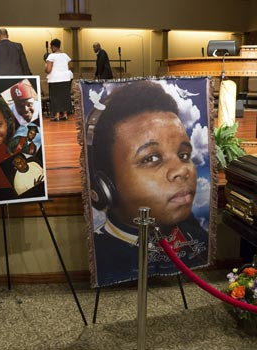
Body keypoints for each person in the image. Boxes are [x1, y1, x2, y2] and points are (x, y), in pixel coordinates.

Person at [87, 80, 208, 287]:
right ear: (105, 185)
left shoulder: (197, 235)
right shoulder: (103, 253)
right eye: (151, 158)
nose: (181, 170)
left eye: (183, 154)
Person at [45, 38, 73, 121]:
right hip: (66, 78)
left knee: (55, 97)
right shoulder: (65, 55)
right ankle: (65, 114)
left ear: (53, 47)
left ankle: (57, 115)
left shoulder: (51, 56)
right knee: (65, 96)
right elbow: (70, 67)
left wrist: (45, 69)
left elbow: (48, 69)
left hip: (55, 79)